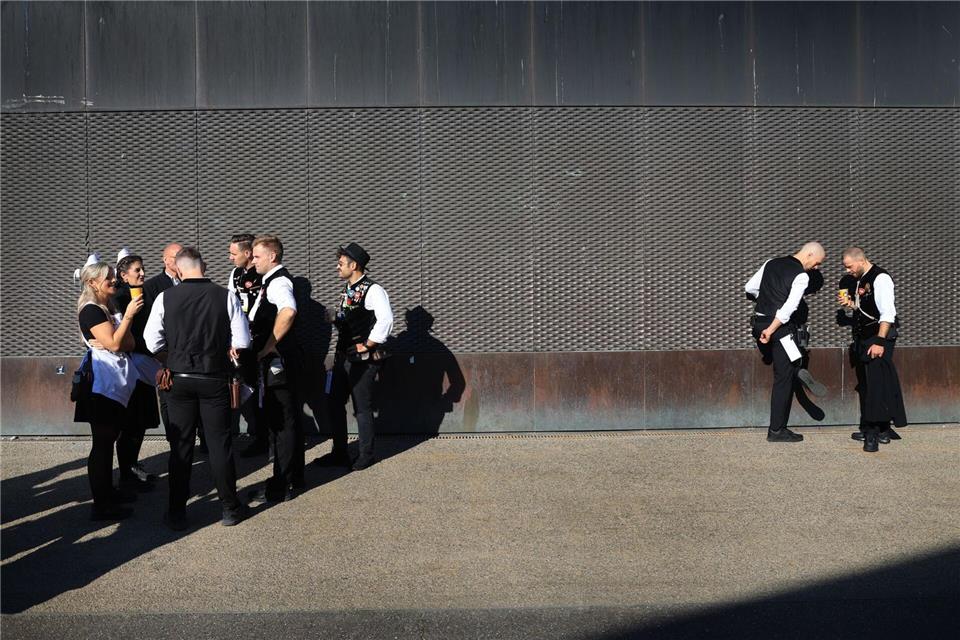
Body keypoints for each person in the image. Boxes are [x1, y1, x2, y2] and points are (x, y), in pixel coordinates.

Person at [144, 246, 251, 529]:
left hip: (178, 379)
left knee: (181, 447)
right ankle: (229, 508)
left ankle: (177, 513)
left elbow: (151, 340)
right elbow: (242, 342)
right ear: (203, 265)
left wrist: (172, 357)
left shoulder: (165, 297)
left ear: (178, 269)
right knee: (219, 445)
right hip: (214, 378)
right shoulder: (225, 296)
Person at [73, 255, 144, 520]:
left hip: (116, 383)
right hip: (101, 387)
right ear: (93, 282)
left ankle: (108, 493)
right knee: (102, 444)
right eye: (109, 278)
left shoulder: (108, 306)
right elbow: (116, 344)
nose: (114, 280)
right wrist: (126, 319)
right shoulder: (91, 310)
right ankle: (101, 505)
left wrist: (119, 337)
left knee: (110, 439)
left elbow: (129, 344)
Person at [320, 242, 394, 470]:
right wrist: (335, 320)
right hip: (343, 357)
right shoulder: (348, 290)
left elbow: (386, 319)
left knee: (362, 407)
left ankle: (366, 454)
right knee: (333, 403)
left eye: (341, 263)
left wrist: (368, 344)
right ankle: (339, 452)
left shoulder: (373, 290)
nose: (337, 267)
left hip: (362, 360)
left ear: (354, 265)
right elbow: (352, 318)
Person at [744, 242, 826, 442]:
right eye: (816, 263)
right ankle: (776, 430)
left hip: (758, 321)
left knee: (791, 360)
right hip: (777, 328)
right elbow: (788, 308)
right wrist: (771, 330)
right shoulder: (801, 276)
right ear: (809, 254)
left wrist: (768, 300)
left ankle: (797, 368)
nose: (816, 268)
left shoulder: (771, 262)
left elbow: (750, 287)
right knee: (783, 379)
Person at [247, 234, 304, 502]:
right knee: (285, 420)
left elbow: (288, 311)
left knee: (282, 424)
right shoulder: (270, 281)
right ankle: (294, 477)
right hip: (279, 363)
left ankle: (282, 484)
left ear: (273, 256)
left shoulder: (279, 282)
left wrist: (269, 345)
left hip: (279, 364)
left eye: (257, 256)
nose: (253, 260)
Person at [838, 247, 908, 453]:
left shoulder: (881, 278)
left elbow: (888, 312)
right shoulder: (861, 278)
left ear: (860, 261)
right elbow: (868, 309)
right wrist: (851, 305)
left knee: (876, 385)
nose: (848, 271)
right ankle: (883, 429)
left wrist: (879, 341)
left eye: (849, 266)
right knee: (871, 383)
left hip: (877, 338)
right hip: (865, 337)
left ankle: (872, 433)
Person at [110, 248, 161, 492]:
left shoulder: (143, 294)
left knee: (140, 421)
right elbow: (122, 335)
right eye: (137, 270)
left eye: (143, 269)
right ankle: (127, 472)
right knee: (130, 423)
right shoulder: (119, 297)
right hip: (131, 365)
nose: (142, 274)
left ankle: (132, 465)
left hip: (146, 364)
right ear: (123, 274)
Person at [227, 234, 265, 454]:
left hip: (260, 340)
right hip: (240, 341)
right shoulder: (235, 274)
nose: (230, 258)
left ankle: (264, 437)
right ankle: (255, 434)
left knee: (261, 390)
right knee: (245, 388)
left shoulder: (263, 275)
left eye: (234, 253)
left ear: (247, 253)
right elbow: (230, 306)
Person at [143, 243, 182, 444]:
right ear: (165, 260)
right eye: (175, 257)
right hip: (165, 349)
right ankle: (173, 437)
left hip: (188, 347)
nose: (179, 261)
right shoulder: (152, 286)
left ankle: (201, 437)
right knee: (167, 392)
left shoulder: (191, 281)